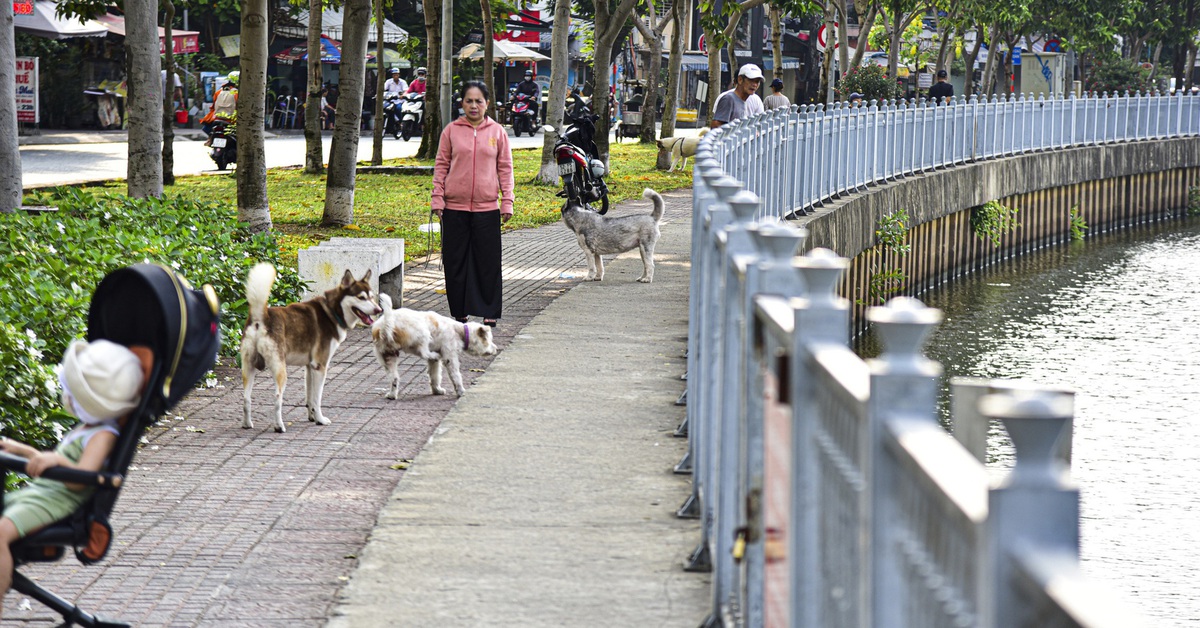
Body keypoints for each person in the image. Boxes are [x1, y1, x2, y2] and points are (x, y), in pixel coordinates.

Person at [0, 339, 148, 613]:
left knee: (0, 534)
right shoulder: (87, 427)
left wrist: (55, 459)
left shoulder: (103, 435)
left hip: (56, 502)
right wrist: (23, 451)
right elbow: (56, 462)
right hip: (42, 494)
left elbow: (81, 477)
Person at [431, 80, 514, 328]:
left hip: (487, 208)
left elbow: (505, 169)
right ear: (462, 103)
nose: (474, 105)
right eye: (469, 100)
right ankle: (460, 310)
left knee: (487, 261)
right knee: (455, 261)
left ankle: (488, 310)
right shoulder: (451, 131)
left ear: (487, 103)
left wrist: (507, 201)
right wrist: (438, 197)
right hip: (454, 208)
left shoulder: (497, 132)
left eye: (479, 101)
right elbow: (441, 166)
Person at [711, 63, 764, 128]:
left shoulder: (749, 99)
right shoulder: (728, 99)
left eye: (757, 82)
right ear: (740, 80)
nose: (755, 85)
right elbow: (715, 126)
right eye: (751, 80)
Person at [200, 71, 238, 144]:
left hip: (217, 118)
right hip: (232, 121)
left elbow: (213, 107)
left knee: (207, 127)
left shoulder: (219, 91)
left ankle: (210, 139)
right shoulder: (238, 93)